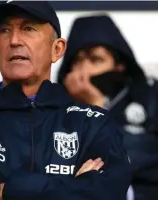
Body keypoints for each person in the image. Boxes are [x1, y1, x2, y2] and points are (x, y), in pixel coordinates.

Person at [0, 2, 132, 200]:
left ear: (57, 49)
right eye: (4, 30)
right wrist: (73, 188)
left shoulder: (94, 123)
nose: (14, 40)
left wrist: (9, 190)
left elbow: (109, 193)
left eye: (28, 28)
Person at [57, 14, 158, 200]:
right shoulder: (55, 108)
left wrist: (96, 108)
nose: (84, 70)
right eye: (77, 61)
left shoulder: (150, 96)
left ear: (119, 66)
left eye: (95, 59)